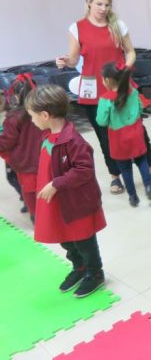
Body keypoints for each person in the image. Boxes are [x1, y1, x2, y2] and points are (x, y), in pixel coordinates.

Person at [55, 0, 151, 194]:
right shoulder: (76, 28)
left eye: (107, 5)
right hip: (92, 88)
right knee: (105, 135)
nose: (103, 8)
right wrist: (65, 61)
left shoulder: (118, 25)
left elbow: (130, 52)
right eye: (99, 4)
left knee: (136, 129)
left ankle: (150, 168)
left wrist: (125, 69)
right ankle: (115, 176)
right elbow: (74, 59)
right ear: (89, 2)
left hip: (121, 85)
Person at [26, 85, 107, 298]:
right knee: (66, 238)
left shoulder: (73, 141)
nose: (32, 120)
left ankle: (95, 273)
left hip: (75, 203)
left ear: (45, 115)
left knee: (83, 240)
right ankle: (79, 267)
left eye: (32, 116)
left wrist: (56, 184)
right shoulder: (47, 137)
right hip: (57, 201)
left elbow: (84, 170)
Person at [96, 62, 151, 207]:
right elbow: (141, 107)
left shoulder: (105, 99)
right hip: (136, 134)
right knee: (142, 162)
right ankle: (149, 188)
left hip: (118, 139)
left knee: (125, 169)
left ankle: (133, 197)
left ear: (107, 80)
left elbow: (101, 121)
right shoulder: (133, 92)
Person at [0, 74, 43, 219]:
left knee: (29, 190)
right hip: (47, 157)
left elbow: (6, 142)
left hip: (25, 162)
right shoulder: (46, 111)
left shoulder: (14, 118)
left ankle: (36, 216)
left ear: (17, 96)